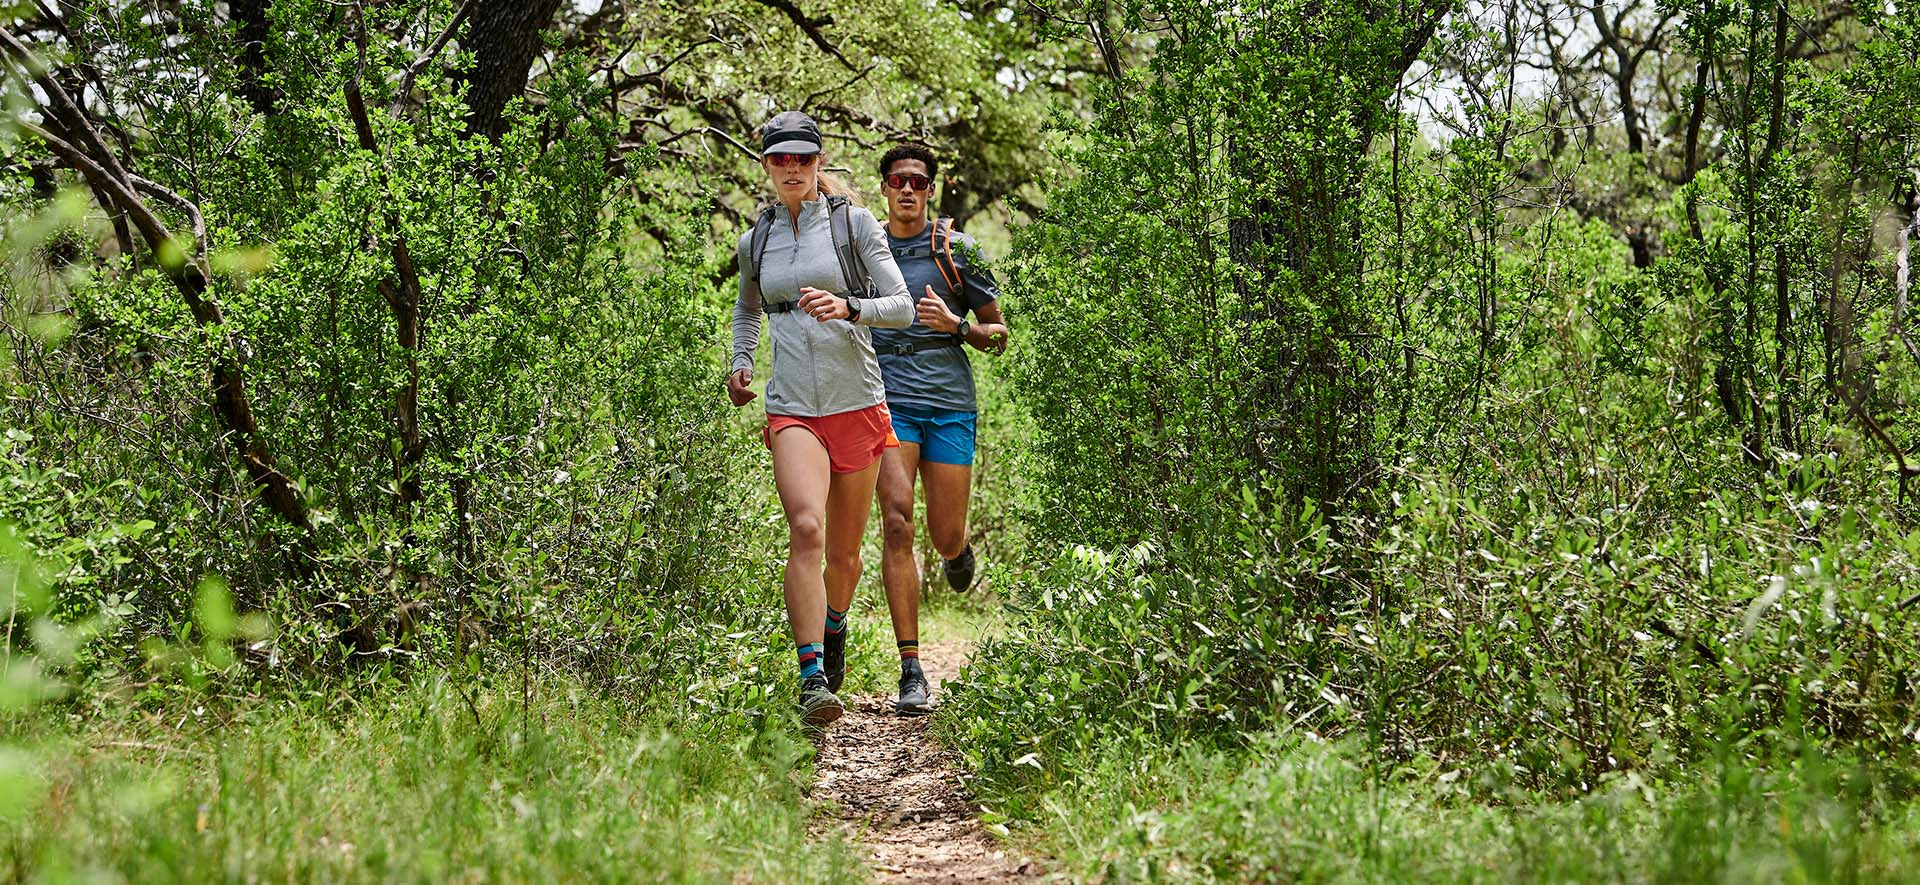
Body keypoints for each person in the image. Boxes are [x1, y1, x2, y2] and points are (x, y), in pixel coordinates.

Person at [727, 111, 913, 729]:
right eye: (780, 159)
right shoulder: (756, 239)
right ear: (766, 164)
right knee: (806, 530)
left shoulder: (854, 224)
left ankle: (834, 631)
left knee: (846, 554)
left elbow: (903, 307)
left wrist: (849, 306)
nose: (791, 169)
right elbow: (748, 308)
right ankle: (811, 677)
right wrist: (741, 362)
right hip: (792, 408)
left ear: (817, 162)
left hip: (857, 401)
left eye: (802, 159)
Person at [870, 143, 1009, 715]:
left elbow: (998, 337)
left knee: (945, 531)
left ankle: (957, 553)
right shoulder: (863, 249)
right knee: (898, 524)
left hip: (950, 404)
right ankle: (911, 670)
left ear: (933, 189)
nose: (908, 189)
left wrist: (957, 327)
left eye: (918, 182)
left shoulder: (960, 251)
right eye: (898, 180)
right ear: (884, 188)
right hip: (888, 405)